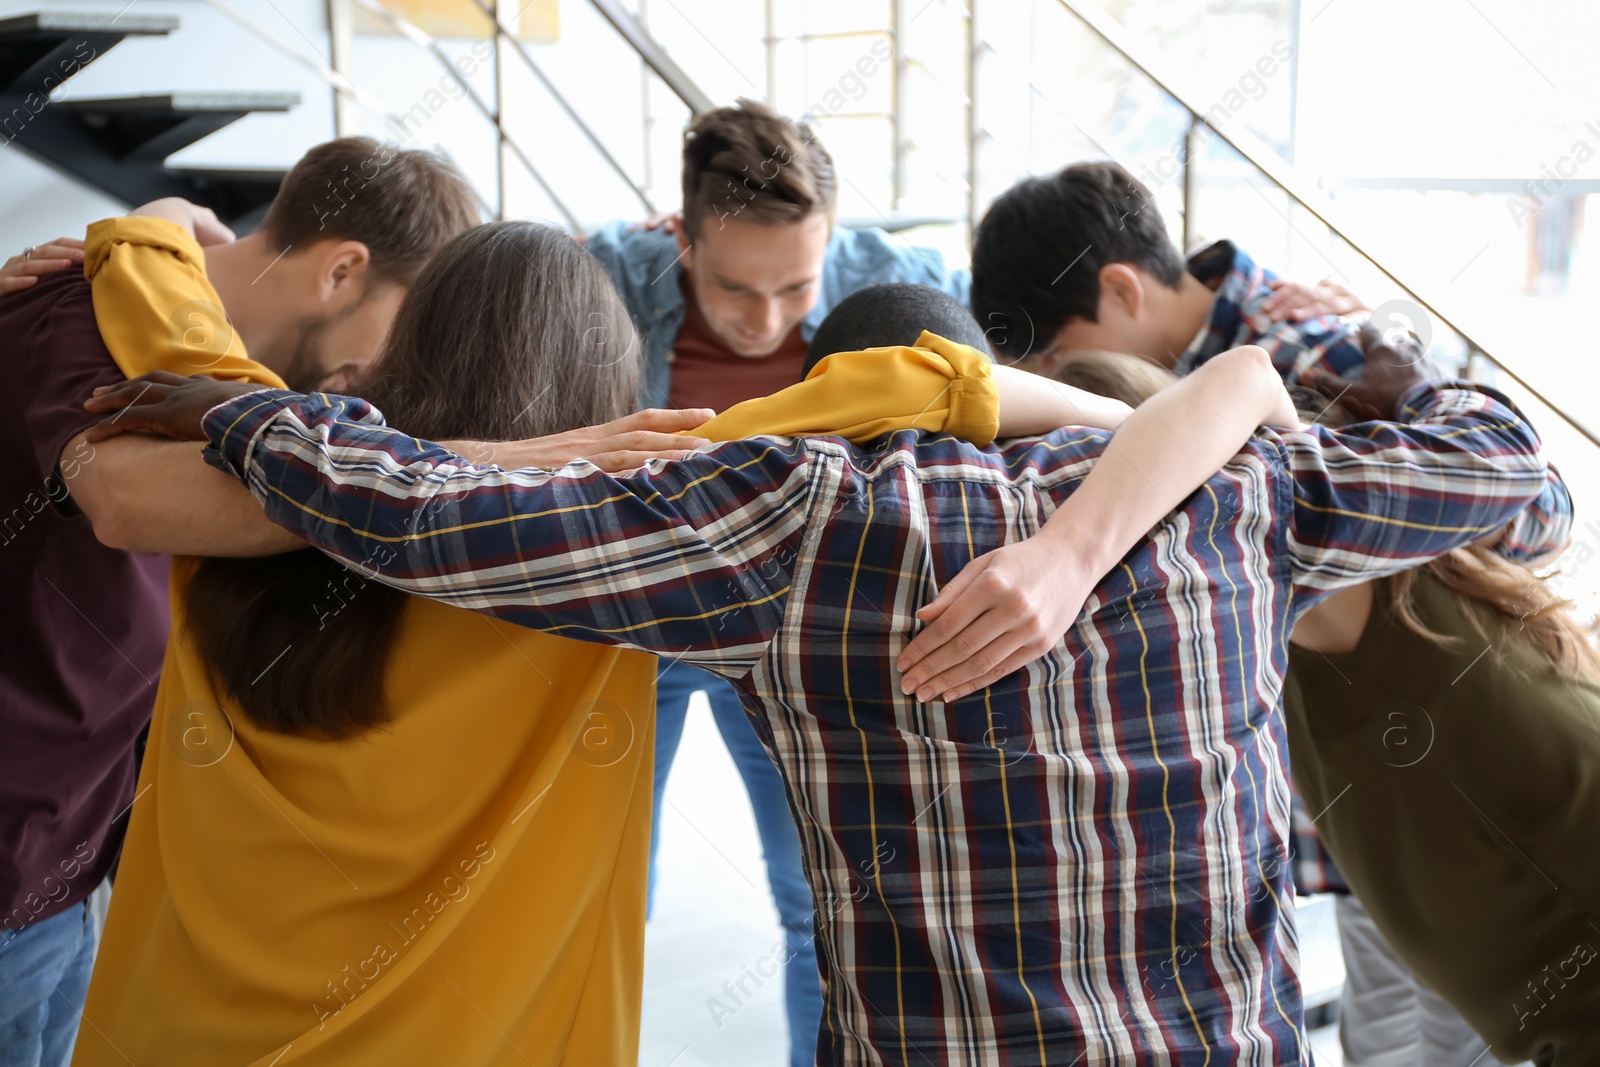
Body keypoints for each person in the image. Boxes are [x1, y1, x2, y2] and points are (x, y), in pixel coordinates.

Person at [88, 293, 1567, 1063]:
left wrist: (242, 416)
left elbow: (411, 515)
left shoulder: (800, 524)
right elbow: (1513, 462)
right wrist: (1290, 366)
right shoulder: (1238, 502)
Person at [0, 136, 479, 1067]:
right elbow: (130, 497)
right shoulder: (91, 317)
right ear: (342, 268)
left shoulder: (206, 352)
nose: (380, 375)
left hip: (58, 867)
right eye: (399, 329)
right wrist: (478, 475)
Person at [583, 100, 976, 1063]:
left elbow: (1032, 375)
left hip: (800, 627)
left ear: (833, 240)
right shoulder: (599, 277)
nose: (765, 322)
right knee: (600, 890)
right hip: (640, 612)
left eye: (796, 287)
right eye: (731, 288)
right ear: (678, 235)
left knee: (822, 905)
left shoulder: (900, 284)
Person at [971, 160, 1368, 382]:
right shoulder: (1173, 361)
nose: (1053, 382)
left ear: (1123, 291)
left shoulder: (1310, 360)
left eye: (1054, 356)